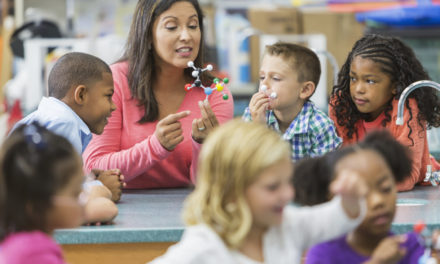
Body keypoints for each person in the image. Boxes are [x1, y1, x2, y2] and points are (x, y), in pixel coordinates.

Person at [150, 119, 367, 264]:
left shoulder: (287, 225)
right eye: (273, 187)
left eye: (287, 182)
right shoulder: (204, 248)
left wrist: (350, 198)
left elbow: (338, 218)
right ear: (232, 190)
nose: (287, 195)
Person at [83, 0, 234, 189]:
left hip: (186, 208)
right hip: (119, 206)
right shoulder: (115, 81)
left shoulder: (214, 92)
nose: (186, 36)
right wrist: (155, 147)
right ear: (147, 35)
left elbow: (215, 182)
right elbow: (94, 167)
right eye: (172, 27)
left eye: (193, 26)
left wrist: (203, 145)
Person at [329, 34, 440, 191]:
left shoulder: (407, 107)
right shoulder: (341, 105)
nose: (358, 89)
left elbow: (407, 175)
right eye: (353, 79)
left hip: (420, 187)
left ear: (395, 85)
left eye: (370, 81)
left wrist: (357, 184)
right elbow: (343, 161)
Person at [295, 131, 424, 264]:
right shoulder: (324, 254)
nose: (378, 201)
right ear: (332, 200)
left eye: (385, 189)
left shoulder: (408, 247)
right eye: (361, 194)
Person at [12, 52, 124, 203]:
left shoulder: (48, 118)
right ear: (81, 95)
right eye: (108, 96)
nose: (113, 106)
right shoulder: (65, 123)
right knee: (104, 207)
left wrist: (86, 179)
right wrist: (101, 187)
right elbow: (56, 196)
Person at [0, 124, 91, 263]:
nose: (83, 198)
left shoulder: (16, 241)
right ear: (35, 203)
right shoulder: (34, 252)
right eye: (75, 193)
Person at [242, 42, 341, 161]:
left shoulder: (320, 126)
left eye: (276, 78)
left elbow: (323, 175)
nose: (264, 85)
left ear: (305, 90)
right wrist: (259, 129)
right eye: (262, 77)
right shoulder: (253, 115)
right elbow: (245, 166)